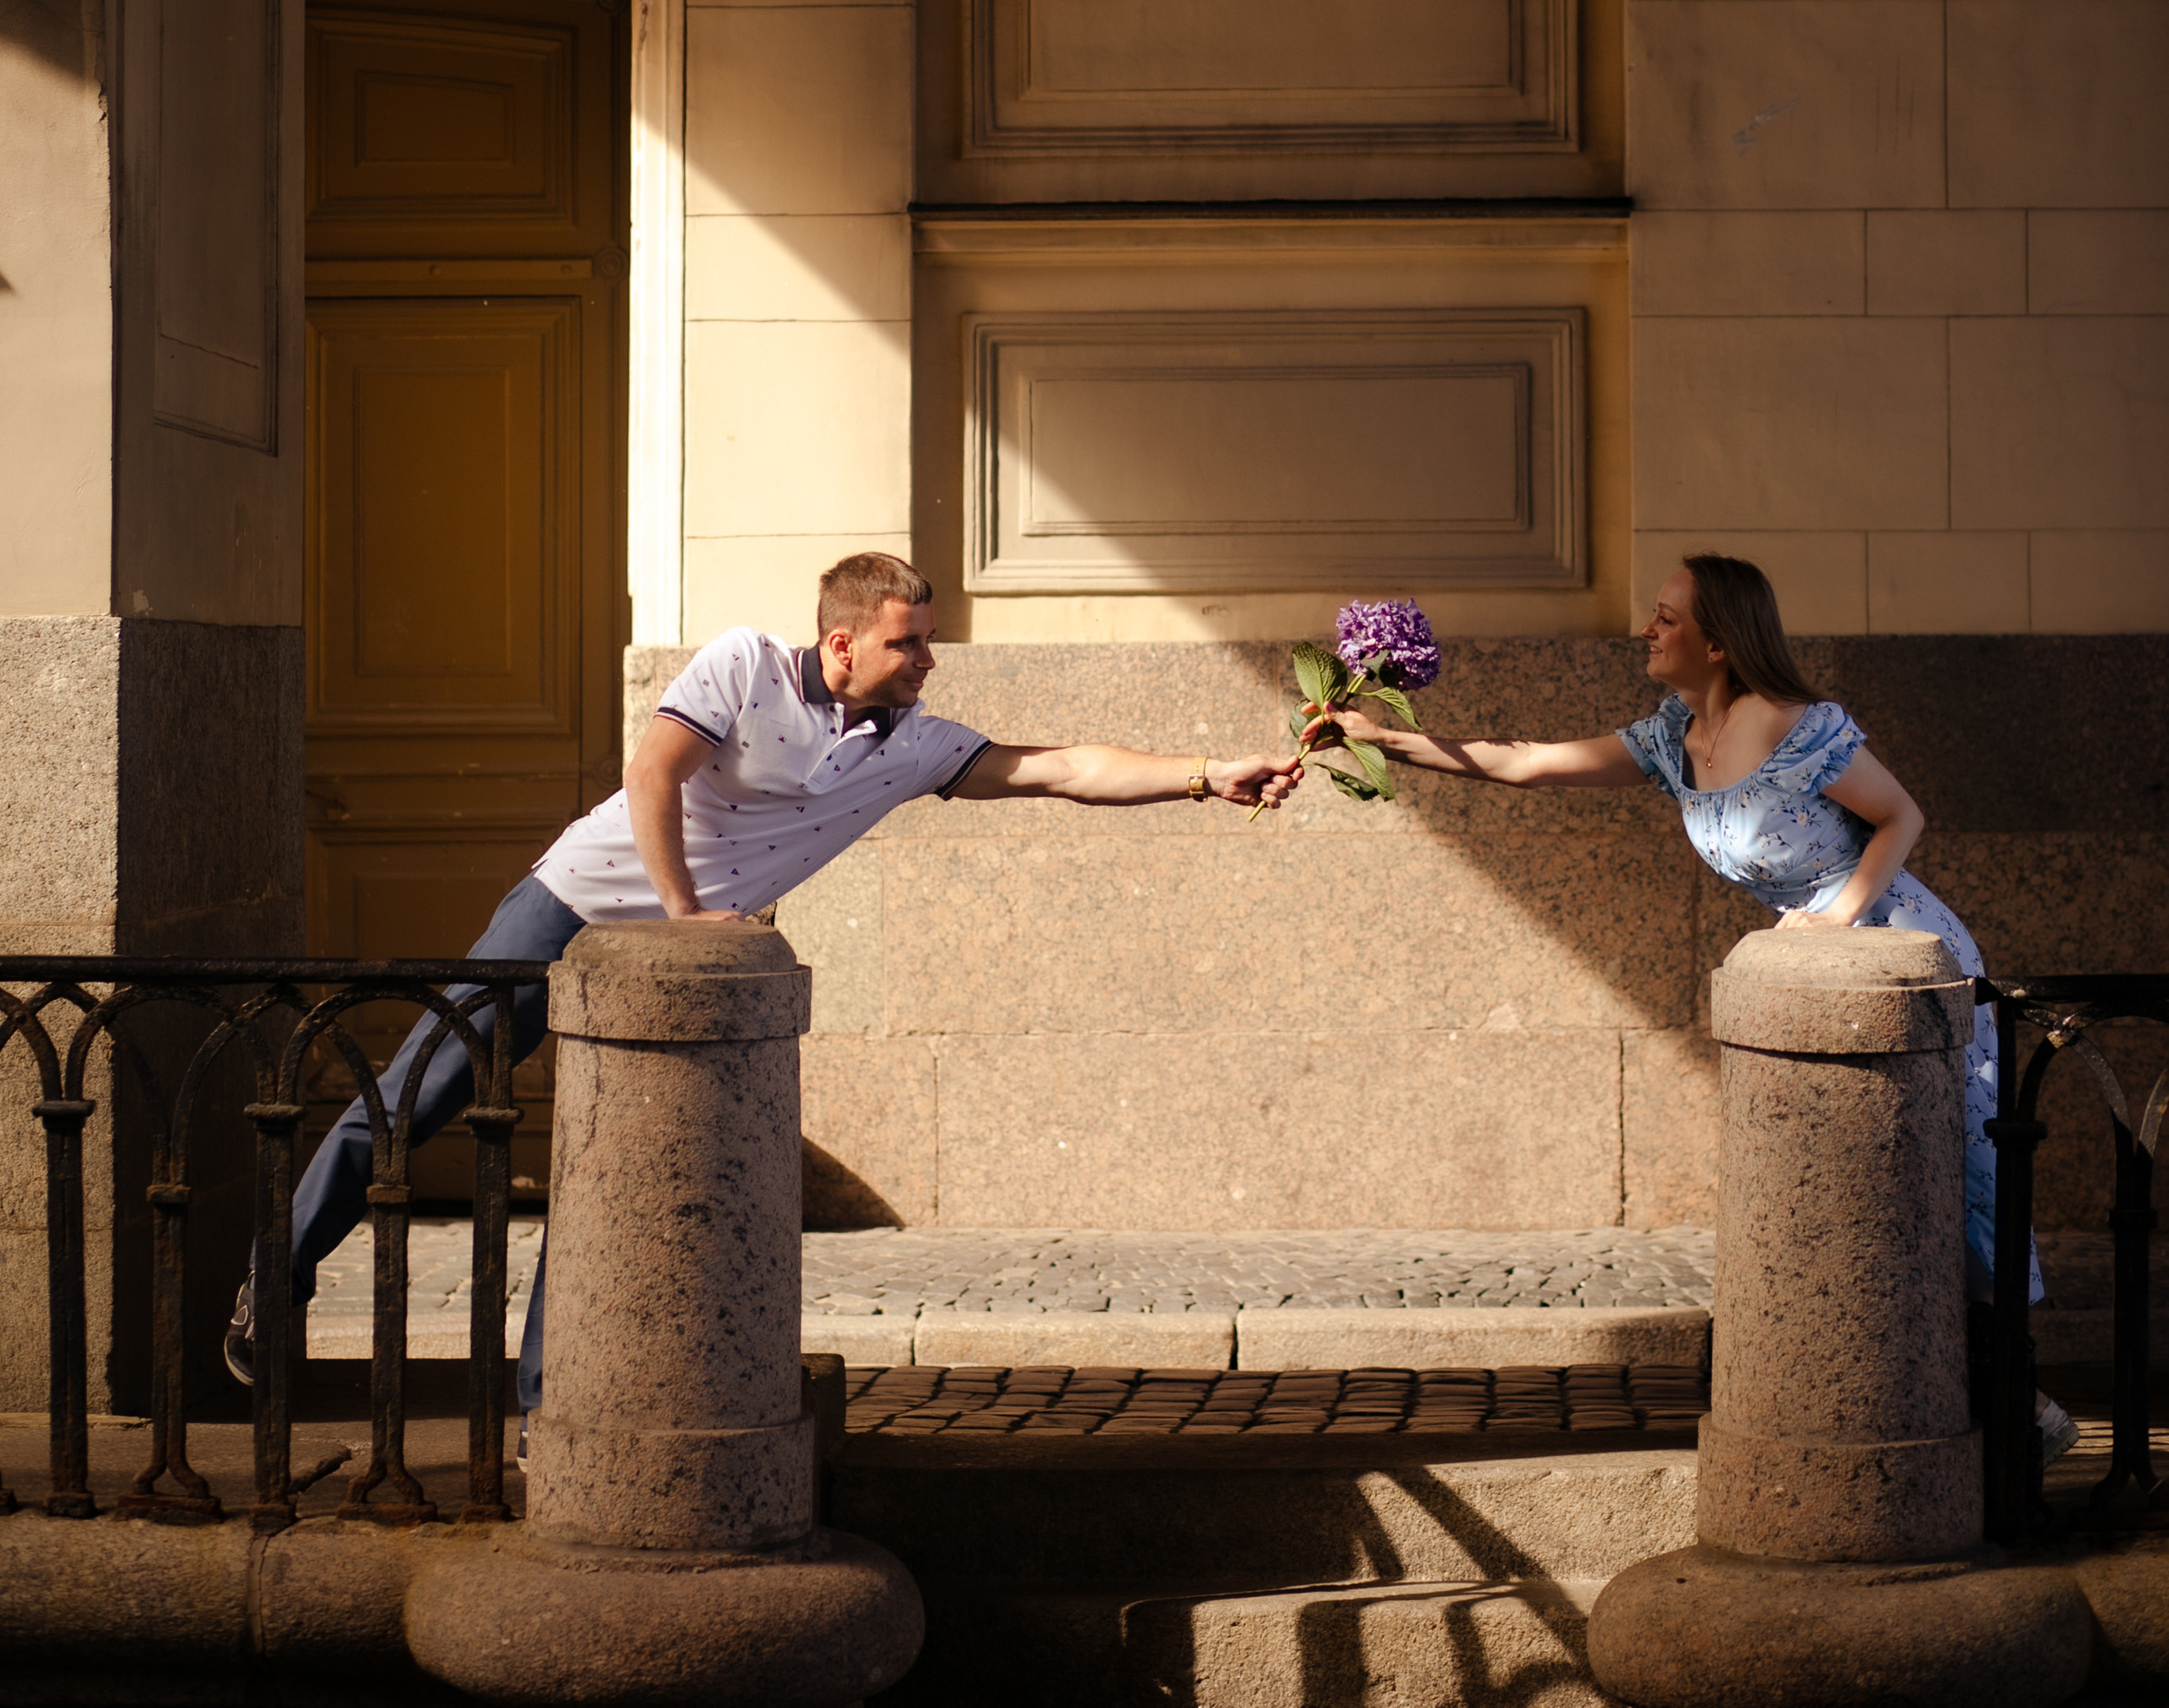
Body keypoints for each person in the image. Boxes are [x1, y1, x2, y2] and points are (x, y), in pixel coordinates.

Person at [226, 552, 1297, 1433]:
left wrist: (1208, 774)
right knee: (415, 1101)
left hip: (683, 977)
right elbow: (653, 775)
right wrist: (686, 908)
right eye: (907, 640)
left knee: (612, 1179)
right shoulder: (741, 666)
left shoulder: (912, 748)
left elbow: (1063, 767)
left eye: (928, 640)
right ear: (841, 642)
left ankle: (553, 1405)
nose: (927, 659)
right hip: (569, 906)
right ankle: (272, 1282)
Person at [1334, 549, 2076, 1462]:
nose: (1646, 628)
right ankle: (1968, 1411)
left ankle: (2017, 1411)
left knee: (1951, 1178)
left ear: (1720, 641)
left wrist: (1834, 920)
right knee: (1878, 1191)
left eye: (1666, 616)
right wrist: (1378, 738)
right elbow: (1524, 764)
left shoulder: (1792, 725)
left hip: (1901, 949)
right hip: (1807, 962)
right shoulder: (1672, 739)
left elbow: (1901, 817)